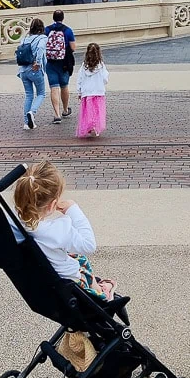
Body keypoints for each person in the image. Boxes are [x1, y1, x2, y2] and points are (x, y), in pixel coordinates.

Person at [13, 161, 116, 300]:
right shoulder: (59, 230)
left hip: (45, 276)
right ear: (53, 205)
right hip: (69, 281)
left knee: (74, 256)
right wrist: (72, 209)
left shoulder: (13, 221)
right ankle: (102, 293)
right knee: (80, 262)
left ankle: (97, 287)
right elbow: (88, 246)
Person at [45, 10, 76, 125]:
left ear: (53, 18)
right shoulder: (67, 30)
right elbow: (73, 47)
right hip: (64, 62)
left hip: (50, 62)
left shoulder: (47, 30)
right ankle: (65, 109)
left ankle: (57, 115)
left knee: (54, 87)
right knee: (64, 86)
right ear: (63, 18)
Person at [17, 17, 47, 130]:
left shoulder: (25, 39)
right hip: (34, 70)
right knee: (41, 93)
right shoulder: (42, 38)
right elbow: (40, 49)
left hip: (23, 70)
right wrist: (38, 62)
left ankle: (26, 123)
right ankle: (32, 112)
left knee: (29, 95)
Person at [76, 43, 109, 138]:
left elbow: (80, 79)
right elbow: (105, 79)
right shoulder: (101, 66)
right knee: (98, 111)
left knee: (87, 111)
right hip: (98, 91)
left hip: (87, 92)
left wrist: (79, 91)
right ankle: (96, 127)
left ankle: (88, 127)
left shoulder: (84, 66)